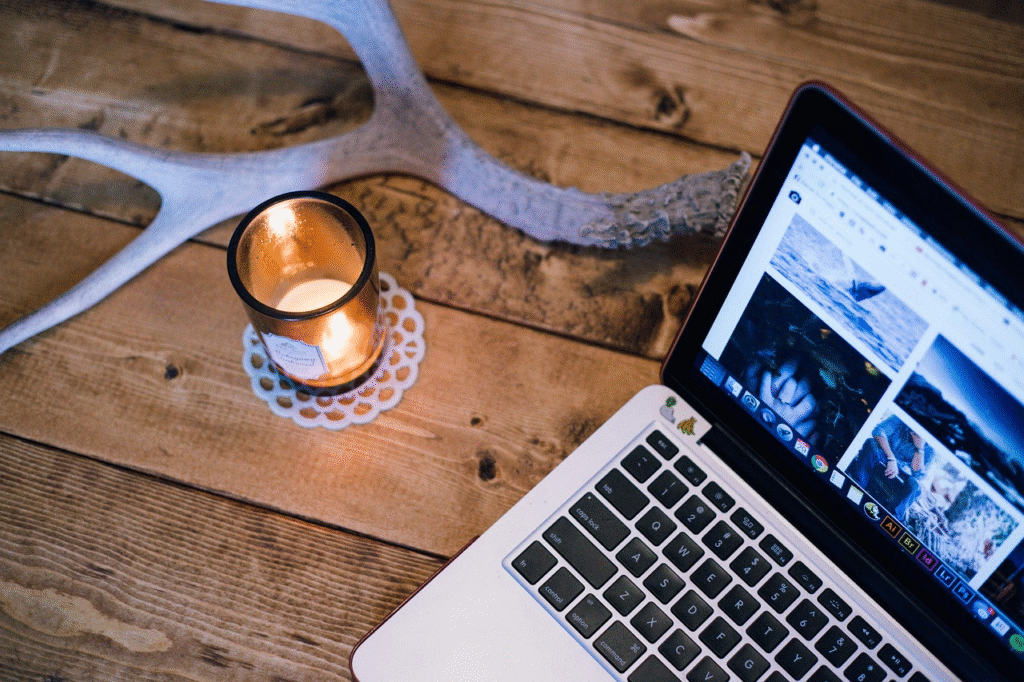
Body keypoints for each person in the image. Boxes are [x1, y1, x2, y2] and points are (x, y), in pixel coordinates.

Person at [848, 414, 934, 521]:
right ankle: (856, 486)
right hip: (884, 459)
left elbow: (919, 475)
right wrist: (891, 458)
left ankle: (892, 517)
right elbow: (878, 431)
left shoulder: (930, 448)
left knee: (916, 486)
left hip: (901, 477)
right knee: (871, 443)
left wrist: (919, 448)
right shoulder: (901, 419)